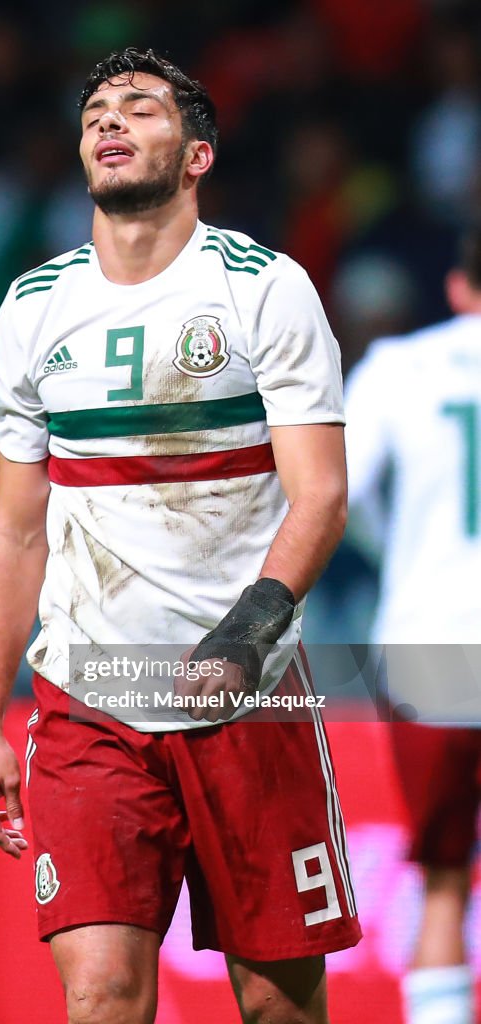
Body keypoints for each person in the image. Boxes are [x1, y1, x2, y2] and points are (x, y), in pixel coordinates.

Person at [0, 47, 360, 1024]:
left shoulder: (264, 290)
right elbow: (18, 530)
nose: (109, 122)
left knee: (276, 1002)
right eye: (97, 110)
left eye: (139, 109)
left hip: (248, 699)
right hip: (89, 703)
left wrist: (243, 635)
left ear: (196, 155)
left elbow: (319, 496)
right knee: (101, 994)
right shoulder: (31, 308)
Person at [344, 228, 481, 1024]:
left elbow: (339, 493)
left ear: (460, 287)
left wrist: (394, 548)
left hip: (430, 637)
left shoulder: (399, 368)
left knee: (441, 880)